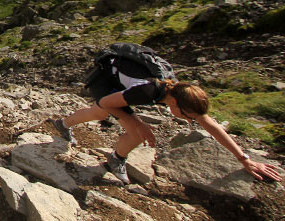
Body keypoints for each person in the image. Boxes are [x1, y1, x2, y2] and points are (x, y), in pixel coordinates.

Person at [53, 47, 282, 185]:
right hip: (106, 79)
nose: (190, 121)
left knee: (120, 119)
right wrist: (138, 122)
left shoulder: (179, 93)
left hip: (122, 82)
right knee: (107, 113)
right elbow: (105, 101)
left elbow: (210, 125)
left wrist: (245, 159)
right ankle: (112, 155)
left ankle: (67, 127)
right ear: (175, 103)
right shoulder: (148, 91)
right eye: (188, 117)